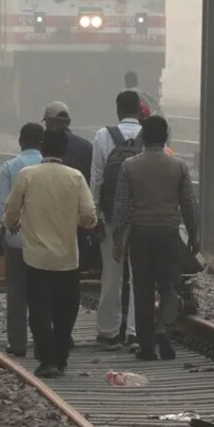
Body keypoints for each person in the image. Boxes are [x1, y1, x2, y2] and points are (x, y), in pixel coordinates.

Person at [3, 130, 97, 378]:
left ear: (43, 149)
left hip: (36, 257)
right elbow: (89, 214)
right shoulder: (75, 177)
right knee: (65, 310)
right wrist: (80, 223)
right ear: (65, 150)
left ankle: (47, 361)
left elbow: (11, 210)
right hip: (67, 257)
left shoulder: (27, 175)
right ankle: (61, 356)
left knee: (39, 309)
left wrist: (12, 222)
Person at [110, 115, 199, 361]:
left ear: (144, 137)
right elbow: (190, 205)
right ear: (166, 137)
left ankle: (147, 345)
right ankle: (165, 327)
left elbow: (120, 206)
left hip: (139, 234)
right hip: (168, 233)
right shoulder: (178, 166)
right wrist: (194, 235)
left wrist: (118, 239)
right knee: (169, 287)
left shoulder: (129, 165)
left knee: (142, 289)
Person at [0, 122, 44, 357]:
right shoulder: (52, 167)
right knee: (42, 294)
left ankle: (17, 343)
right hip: (46, 242)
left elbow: (2, 203)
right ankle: (43, 343)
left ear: (20, 141)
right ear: (42, 142)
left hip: (17, 240)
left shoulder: (11, 167)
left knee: (17, 293)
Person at [91, 90, 142, 350]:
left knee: (112, 275)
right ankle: (135, 332)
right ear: (140, 109)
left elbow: (97, 179)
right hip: (142, 217)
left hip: (111, 217)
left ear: (118, 110)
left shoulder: (103, 136)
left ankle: (108, 332)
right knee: (140, 276)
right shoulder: (150, 135)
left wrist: (96, 216)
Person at [44, 101, 99, 275]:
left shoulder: (43, 145)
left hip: (50, 213)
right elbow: (92, 180)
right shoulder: (86, 146)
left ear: (50, 122)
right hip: (77, 213)